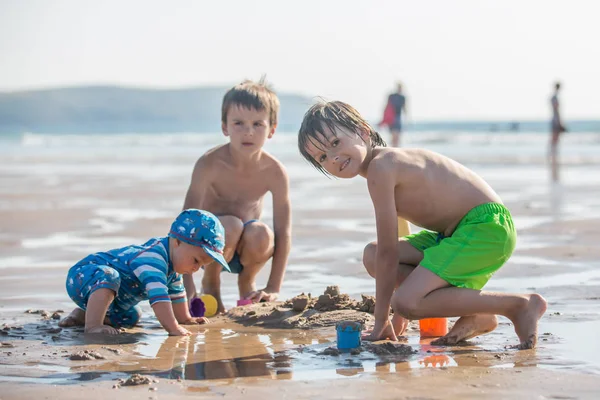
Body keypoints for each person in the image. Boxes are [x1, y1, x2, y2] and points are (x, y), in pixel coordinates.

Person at [297, 100, 547, 349]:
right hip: (455, 234)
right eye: (322, 157)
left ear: (362, 131)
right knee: (371, 255)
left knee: (406, 302)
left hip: (485, 228)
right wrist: (398, 319)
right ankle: (478, 311)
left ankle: (519, 305)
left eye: (335, 143)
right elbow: (393, 244)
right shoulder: (384, 166)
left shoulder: (382, 168)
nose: (334, 157)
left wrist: (382, 320)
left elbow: (389, 253)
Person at [182, 78, 291, 313]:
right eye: (239, 123)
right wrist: (187, 288)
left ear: (272, 129)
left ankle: (247, 282)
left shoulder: (275, 172)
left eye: (257, 124)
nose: (248, 132)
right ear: (225, 127)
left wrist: (274, 287)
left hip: (247, 249)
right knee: (230, 225)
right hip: (207, 249)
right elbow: (184, 224)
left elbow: (284, 232)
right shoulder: (209, 164)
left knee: (261, 232)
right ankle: (210, 282)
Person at [58, 209, 228, 335]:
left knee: (132, 316)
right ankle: (93, 325)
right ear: (177, 242)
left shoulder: (173, 270)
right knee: (109, 276)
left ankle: (83, 315)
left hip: (113, 297)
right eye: (196, 260)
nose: (196, 268)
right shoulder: (153, 258)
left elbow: (177, 295)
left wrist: (185, 319)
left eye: (202, 265)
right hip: (84, 276)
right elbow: (159, 298)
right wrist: (173, 327)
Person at [549, 81, 566, 182]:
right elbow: (557, 111)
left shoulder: (554, 97)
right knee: (555, 141)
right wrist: (560, 123)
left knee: (554, 141)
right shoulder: (555, 97)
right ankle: (554, 158)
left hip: (554, 119)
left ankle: (553, 157)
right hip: (555, 120)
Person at [386, 82, 407, 147]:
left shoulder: (400, 97)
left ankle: (394, 147)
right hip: (393, 117)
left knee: (395, 134)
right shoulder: (393, 96)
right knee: (395, 134)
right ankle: (395, 147)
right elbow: (387, 106)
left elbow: (404, 107)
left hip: (396, 117)